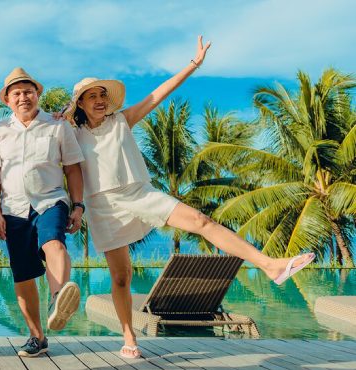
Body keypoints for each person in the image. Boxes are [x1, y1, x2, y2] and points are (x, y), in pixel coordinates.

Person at [62, 35, 316, 360]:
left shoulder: (121, 121)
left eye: (102, 94)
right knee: (121, 277)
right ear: (80, 103)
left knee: (201, 220)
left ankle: (269, 265)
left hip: (140, 192)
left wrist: (193, 65)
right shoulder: (71, 133)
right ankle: (129, 337)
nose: (99, 99)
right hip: (104, 207)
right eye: (90, 96)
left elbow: (158, 94)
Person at [0, 67, 86, 357]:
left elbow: (72, 168)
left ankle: (58, 299)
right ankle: (37, 337)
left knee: (53, 243)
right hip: (13, 208)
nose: (23, 97)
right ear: (7, 100)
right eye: (16, 93)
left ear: (37, 94)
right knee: (23, 276)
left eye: (28, 91)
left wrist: (78, 205)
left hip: (50, 200)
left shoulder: (57, 126)